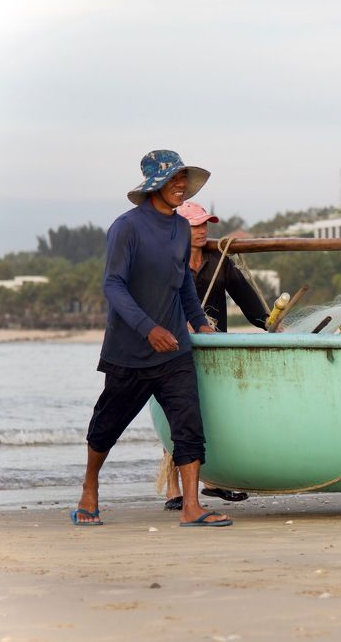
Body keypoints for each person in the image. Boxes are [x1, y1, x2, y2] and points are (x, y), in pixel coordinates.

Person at [72, 149, 232, 528]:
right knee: (107, 425)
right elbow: (113, 285)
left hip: (174, 350)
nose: (181, 185)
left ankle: (191, 505)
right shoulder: (126, 227)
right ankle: (90, 487)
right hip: (129, 351)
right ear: (154, 184)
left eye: (183, 179)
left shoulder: (181, 229)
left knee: (188, 425)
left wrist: (199, 323)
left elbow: (183, 284)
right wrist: (148, 329)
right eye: (174, 178)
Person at [161, 201, 267, 510]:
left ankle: (213, 480)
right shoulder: (168, 260)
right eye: (195, 225)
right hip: (175, 347)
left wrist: (272, 324)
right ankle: (172, 488)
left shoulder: (219, 261)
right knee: (176, 412)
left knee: (213, 409)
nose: (202, 230)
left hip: (213, 347)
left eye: (205, 224)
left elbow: (249, 303)